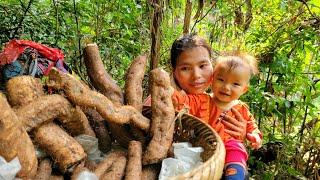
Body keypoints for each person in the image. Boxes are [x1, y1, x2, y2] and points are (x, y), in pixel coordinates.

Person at [209, 52, 262, 179]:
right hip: (207, 145)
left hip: (232, 148)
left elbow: (251, 125)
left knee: (235, 169)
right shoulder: (203, 100)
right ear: (212, 79)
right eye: (221, 80)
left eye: (235, 84)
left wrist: (255, 136)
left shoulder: (241, 108)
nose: (226, 87)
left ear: (244, 89)